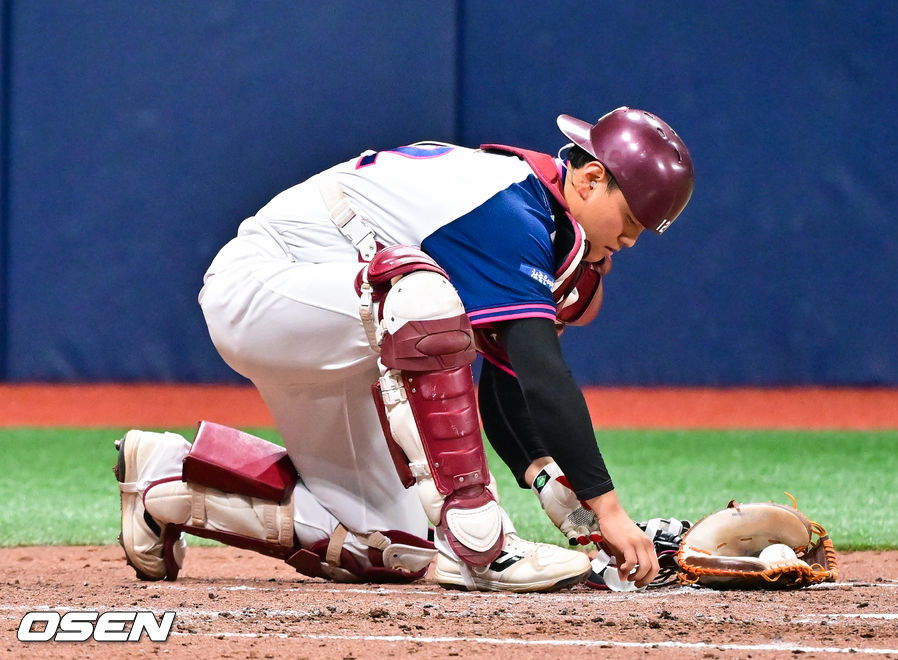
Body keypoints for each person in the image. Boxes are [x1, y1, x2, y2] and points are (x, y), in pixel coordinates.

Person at [114, 107, 694, 593]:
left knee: (388, 546)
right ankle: (483, 547)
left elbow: (511, 379)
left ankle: (167, 484)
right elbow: (546, 375)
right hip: (266, 285)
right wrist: (611, 509)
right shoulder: (510, 203)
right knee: (425, 300)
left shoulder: (541, 213)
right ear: (591, 180)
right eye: (633, 216)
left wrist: (550, 480)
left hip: (339, 323)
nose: (633, 236)